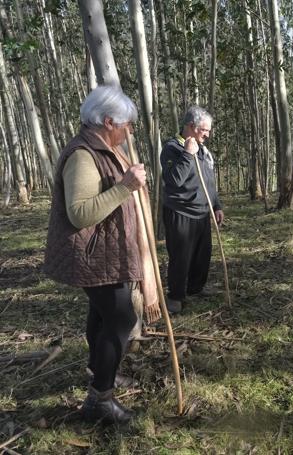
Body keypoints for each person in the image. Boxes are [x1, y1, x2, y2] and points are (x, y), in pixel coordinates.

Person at [43, 85, 159, 424]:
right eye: (127, 124)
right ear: (108, 121)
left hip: (105, 255)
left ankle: (100, 373)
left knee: (103, 315)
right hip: (92, 257)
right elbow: (79, 213)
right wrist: (125, 187)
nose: (130, 131)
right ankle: (100, 400)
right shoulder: (82, 155)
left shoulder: (101, 148)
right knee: (122, 319)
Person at [161, 106, 224, 313]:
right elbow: (174, 180)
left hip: (202, 212)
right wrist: (188, 154)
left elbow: (209, 181)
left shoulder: (204, 151)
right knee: (180, 256)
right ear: (190, 126)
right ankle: (176, 296)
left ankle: (196, 288)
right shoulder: (172, 148)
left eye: (208, 130)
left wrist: (216, 205)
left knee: (202, 254)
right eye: (204, 130)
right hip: (180, 212)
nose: (207, 134)